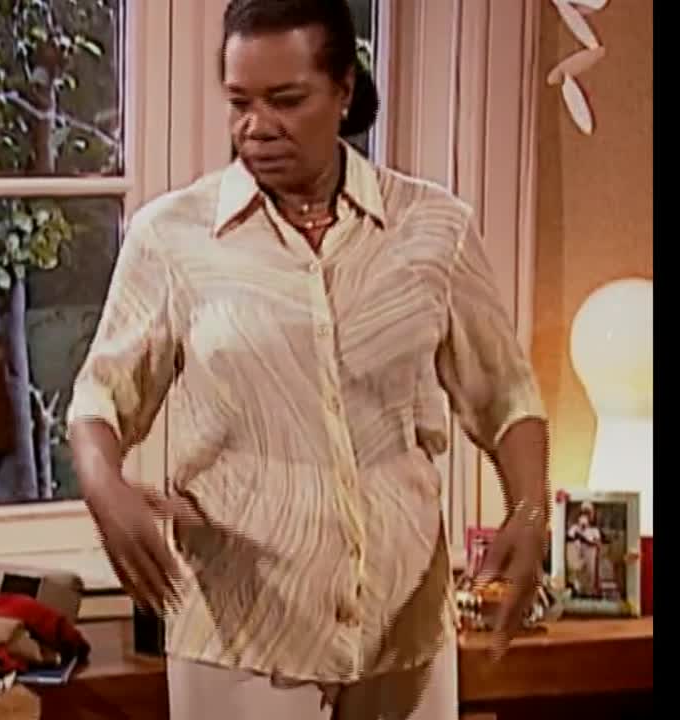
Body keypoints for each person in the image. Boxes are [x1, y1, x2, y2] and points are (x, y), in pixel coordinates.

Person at [66, 1, 549, 717]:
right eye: (240, 103)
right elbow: (100, 400)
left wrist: (529, 510)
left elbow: (507, 397)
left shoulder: (432, 228)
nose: (256, 127)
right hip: (242, 636)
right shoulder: (171, 238)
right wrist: (104, 486)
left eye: (286, 100)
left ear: (344, 89)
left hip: (406, 630)